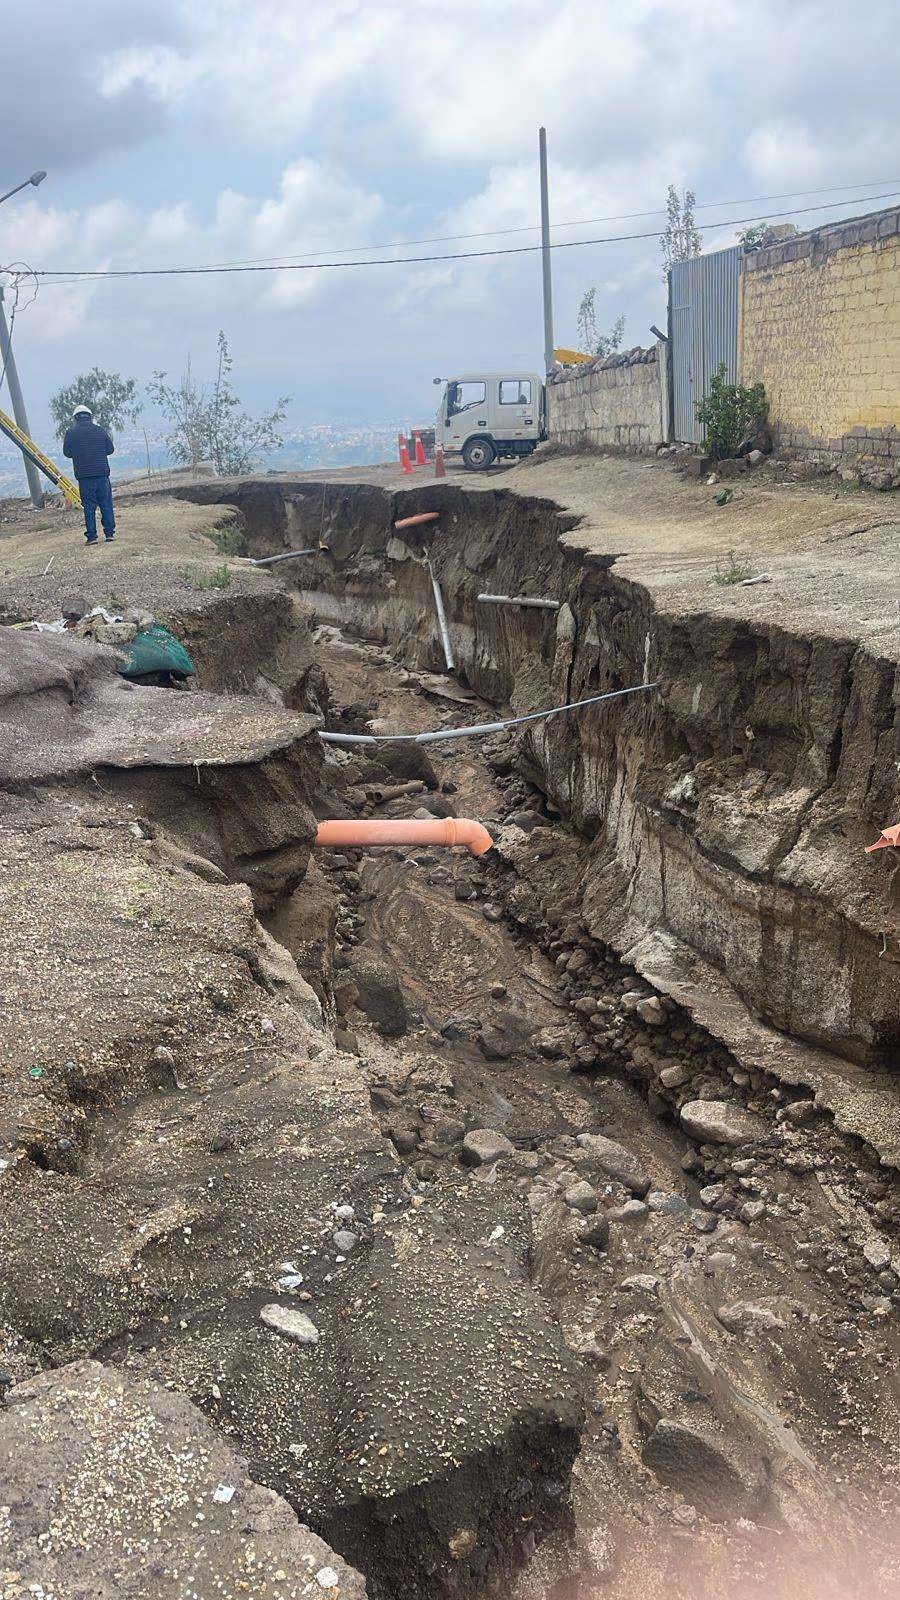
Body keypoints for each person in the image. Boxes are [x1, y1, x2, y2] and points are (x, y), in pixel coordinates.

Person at [62, 404, 116, 546]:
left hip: (84, 476)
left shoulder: (71, 433)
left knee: (89, 507)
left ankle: (92, 537)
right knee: (106, 504)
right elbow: (110, 449)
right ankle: (109, 534)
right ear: (90, 417)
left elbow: (67, 453)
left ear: (76, 418)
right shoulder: (99, 430)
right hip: (102, 474)